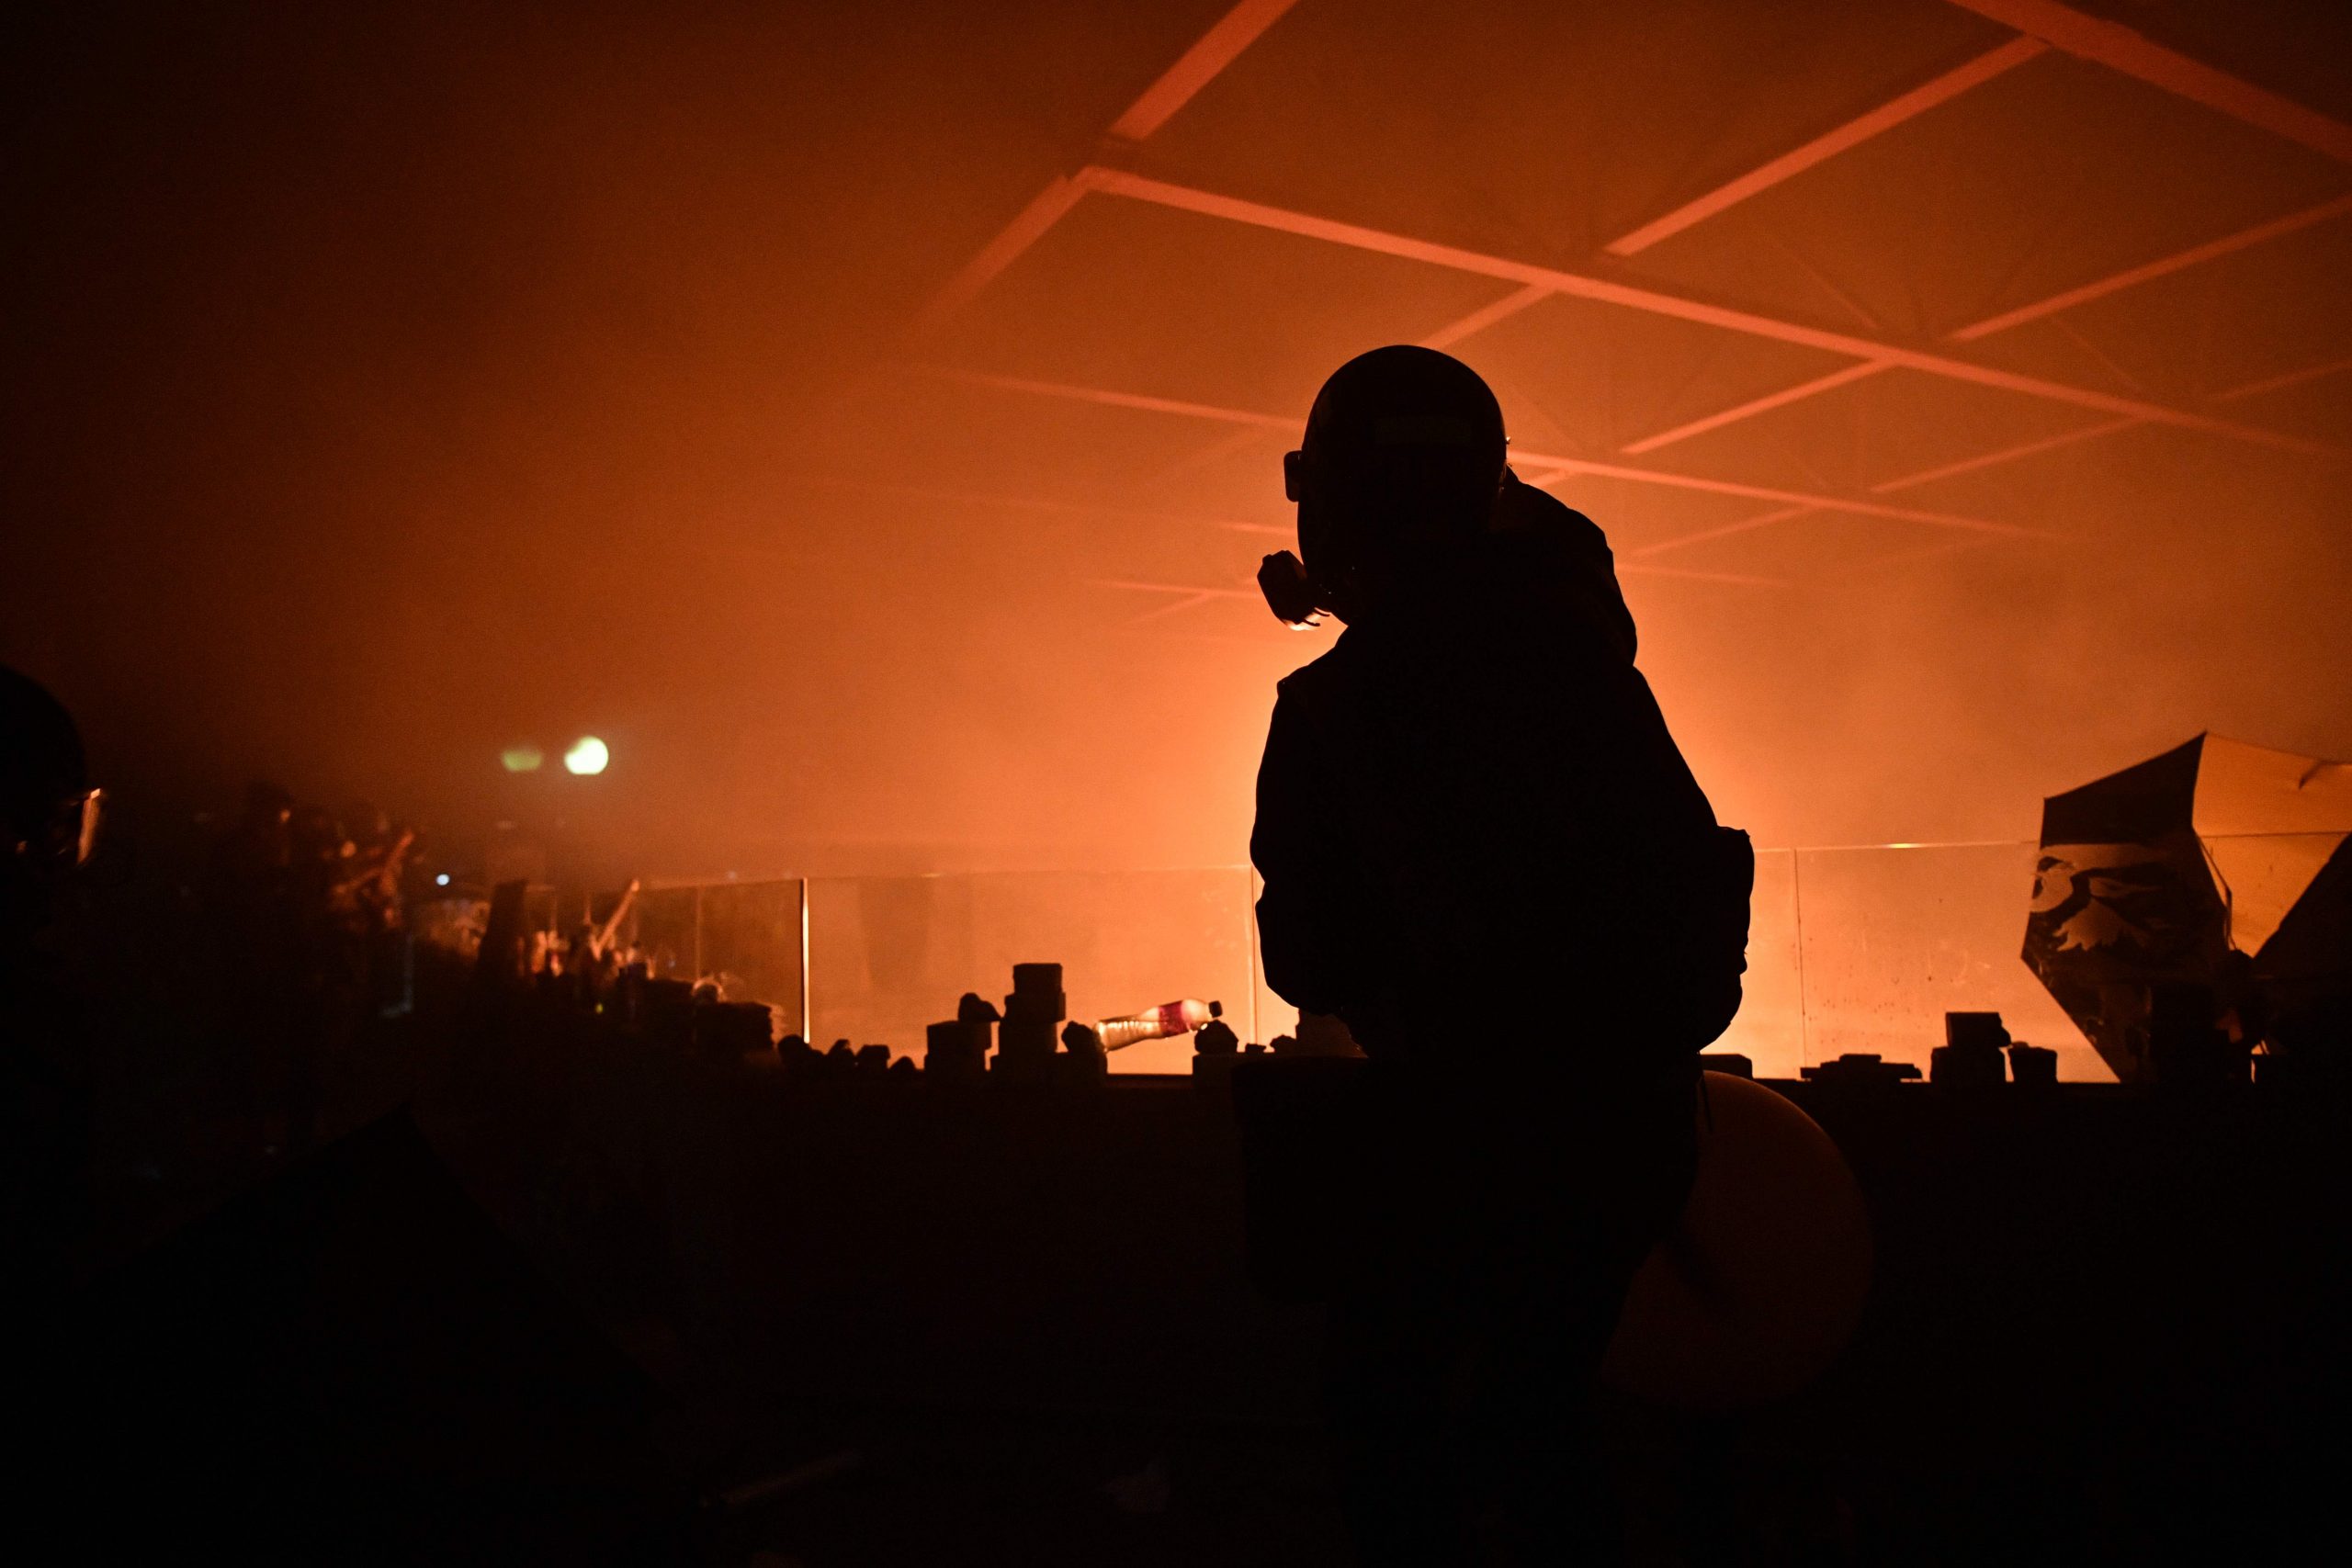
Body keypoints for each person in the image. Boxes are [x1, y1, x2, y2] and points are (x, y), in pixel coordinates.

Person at [1249, 346, 1752, 1562]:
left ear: (1336, 503)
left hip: (1456, 1142)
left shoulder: (1335, 709)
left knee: (1395, 1428)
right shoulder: (1588, 670)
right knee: (1545, 1424)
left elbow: (1308, 956)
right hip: (1625, 1139)